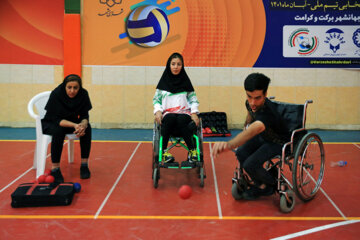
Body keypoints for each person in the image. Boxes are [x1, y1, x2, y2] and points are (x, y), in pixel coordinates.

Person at [212, 73, 290, 200]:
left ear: (265, 94)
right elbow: (250, 116)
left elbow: (253, 130)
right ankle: (261, 182)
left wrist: (229, 144)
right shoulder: (250, 104)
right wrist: (246, 124)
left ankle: (271, 184)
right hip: (264, 137)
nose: (253, 102)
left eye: (257, 98)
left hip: (278, 142)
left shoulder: (268, 113)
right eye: (249, 97)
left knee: (249, 164)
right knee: (241, 153)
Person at [42, 74, 92, 183]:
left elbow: (85, 116)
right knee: (58, 130)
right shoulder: (56, 94)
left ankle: (84, 165)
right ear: (65, 86)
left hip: (72, 122)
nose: (72, 91)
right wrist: (75, 125)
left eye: (75, 88)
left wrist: (83, 125)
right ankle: (55, 168)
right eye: (69, 87)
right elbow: (56, 119)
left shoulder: (83, 94)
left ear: (80, 87)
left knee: (87, 129)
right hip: (52, 122)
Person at [153, 52, 200, 164]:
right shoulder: (162, 84)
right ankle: (164, 152)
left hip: (184, 116)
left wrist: (194, 112)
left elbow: (193, 100)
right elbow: (156, 100)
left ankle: (192, 151)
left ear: (182, 66)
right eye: (173, 64)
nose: (176, 67)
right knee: (170, 118)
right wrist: (158, 111)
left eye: (179, 64)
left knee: (181, 119)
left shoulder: (186, 83)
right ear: (169, 65)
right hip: (168, 117)